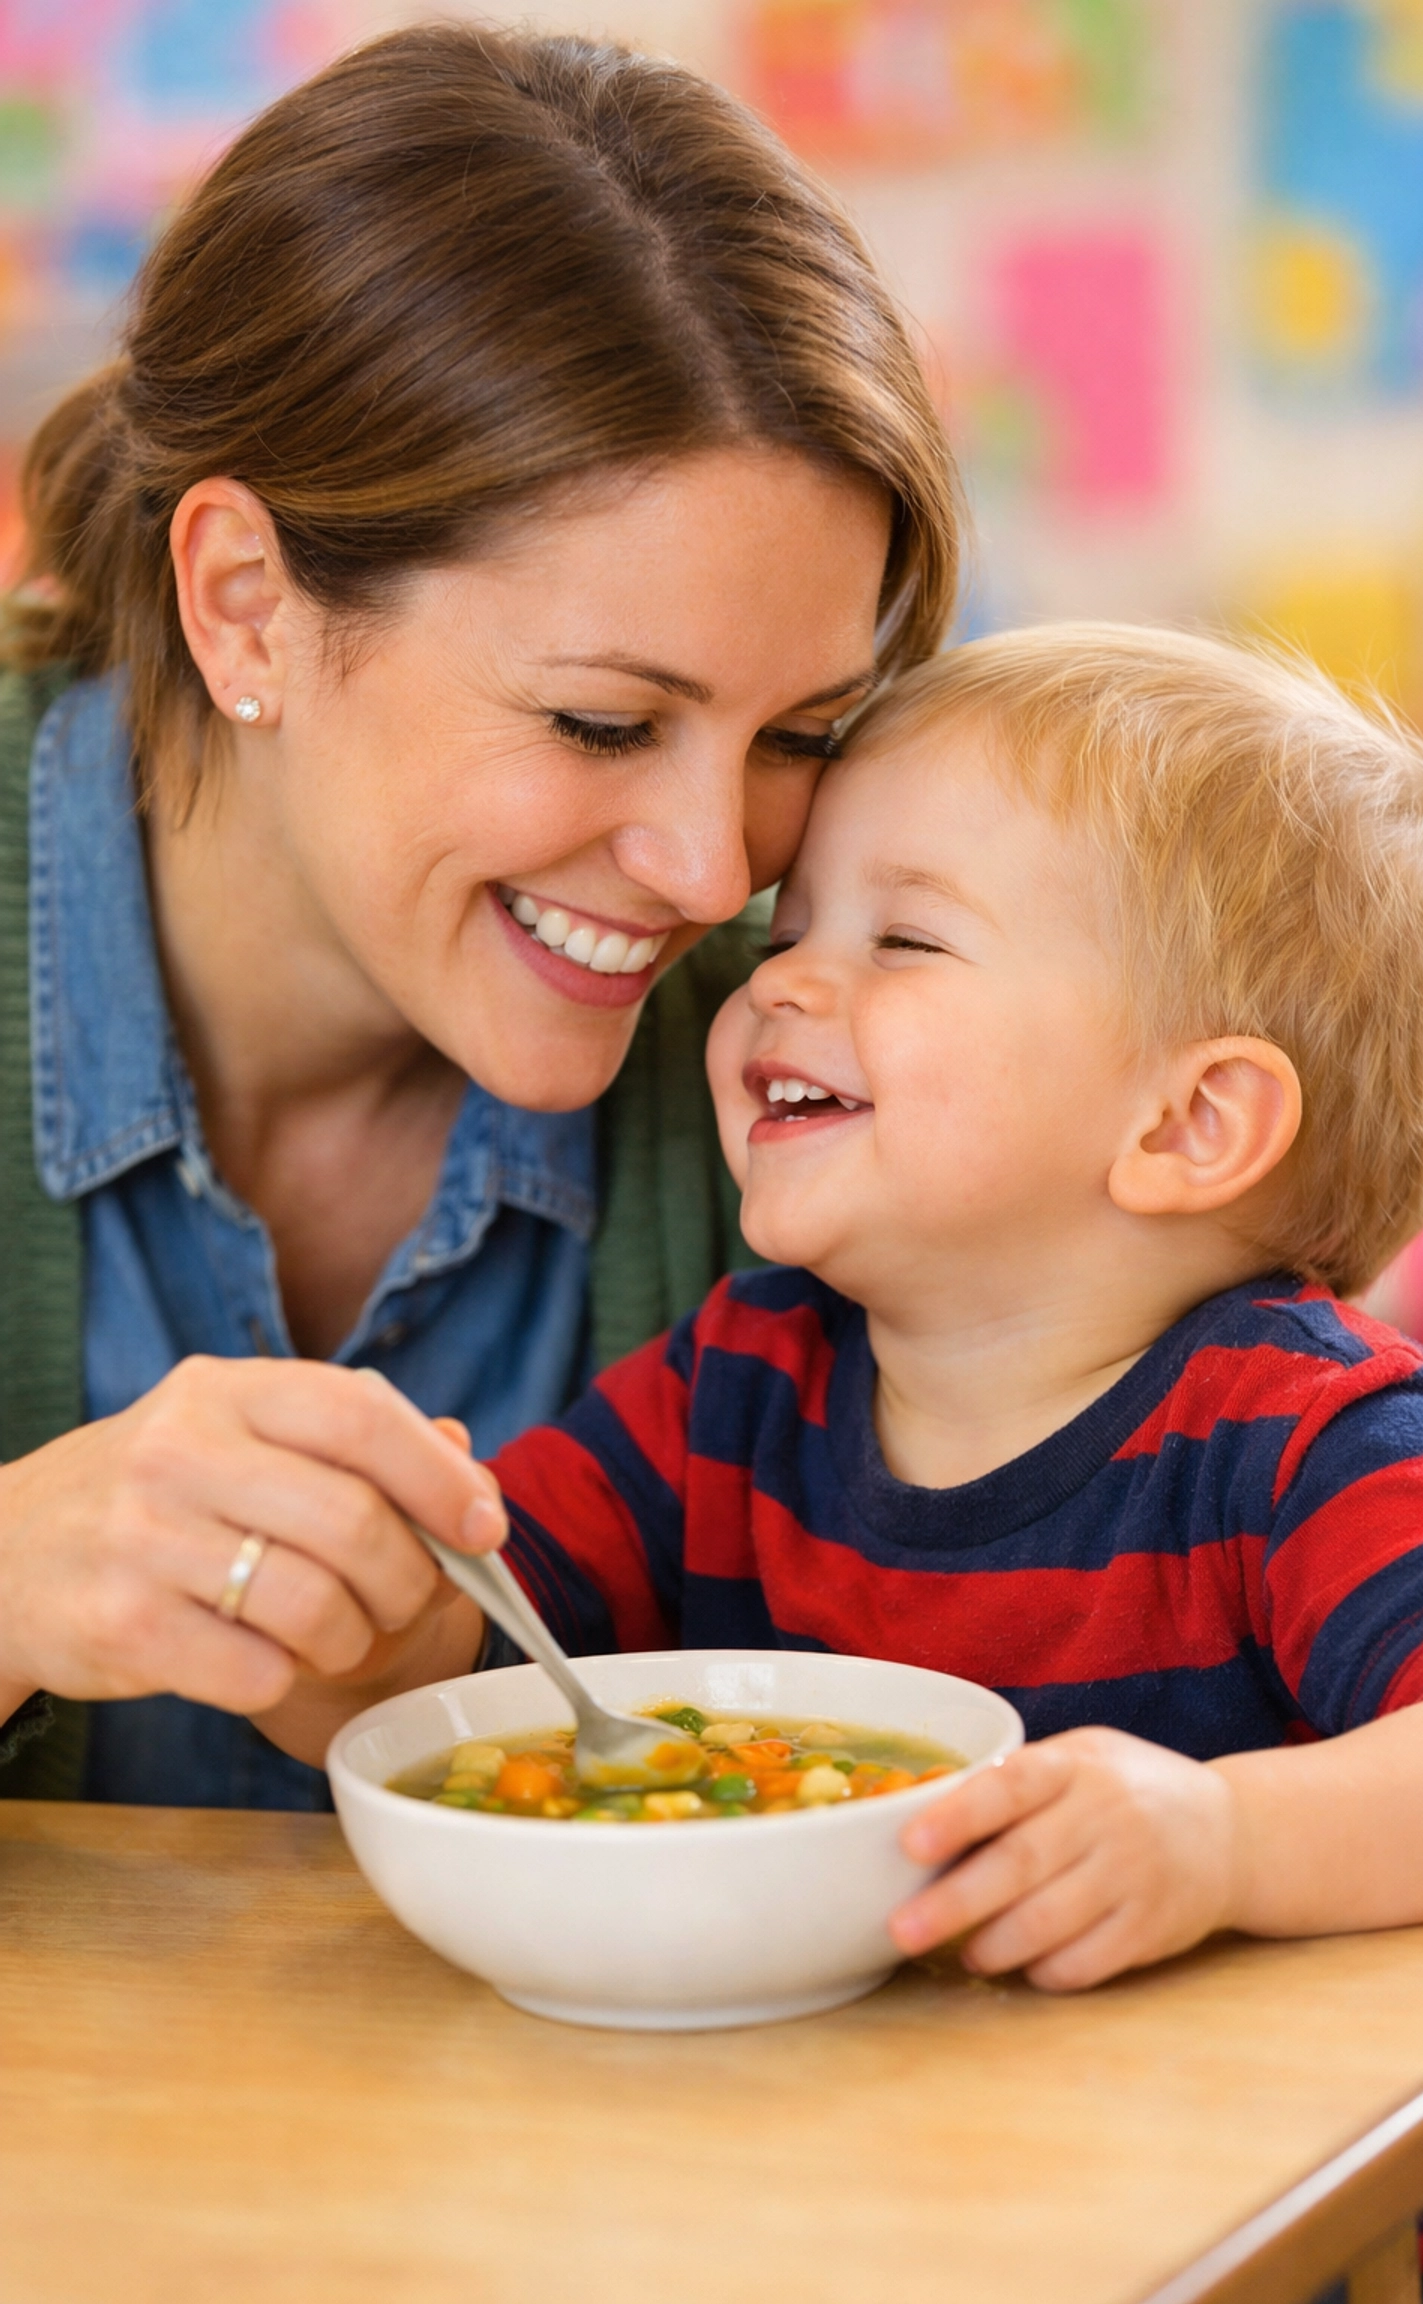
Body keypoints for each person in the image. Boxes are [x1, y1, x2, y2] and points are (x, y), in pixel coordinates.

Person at [465, 626, 1423, 2296]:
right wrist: (377, 1542)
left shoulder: (1302, 1433)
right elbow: (481, 1639)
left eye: (901, 935)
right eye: (795, 921)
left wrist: (1222, 1842)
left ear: (1188, 1125)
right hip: (889, 2206)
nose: (776, 983)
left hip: (1291, 2239)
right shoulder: (745, 1376)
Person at [0, 22, 958, 1807]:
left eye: (799, 737)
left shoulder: (826, 1065)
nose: (705, 869)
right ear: (246, 605)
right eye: (603, 722)